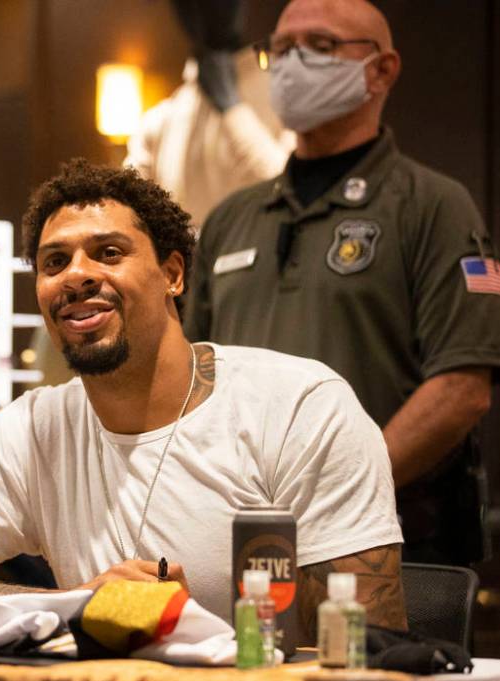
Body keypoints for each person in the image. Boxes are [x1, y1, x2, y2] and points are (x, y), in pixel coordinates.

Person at [0, 159, 406, 641]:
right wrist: (68, 607)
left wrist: (193, 630)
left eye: (108, 252)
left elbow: (368, 647)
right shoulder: (35, 429)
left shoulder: (300, 408)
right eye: (54, 262)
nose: (77, 275)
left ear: (173, 274)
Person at [183, 0, 500, 566]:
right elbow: (188, 378)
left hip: (388, 536)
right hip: (244, 537)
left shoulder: (432, 205)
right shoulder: (232, 219)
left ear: (381, 70)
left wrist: (342, 489)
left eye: (321, 47)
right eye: (279, 49)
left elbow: (462, 388)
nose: (292, 63)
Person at [124, 0, 294, 227]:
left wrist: (232, 109)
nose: (202, 10)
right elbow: (127, 214)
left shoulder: (288, 94)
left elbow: (291, 191)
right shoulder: (160, 120)